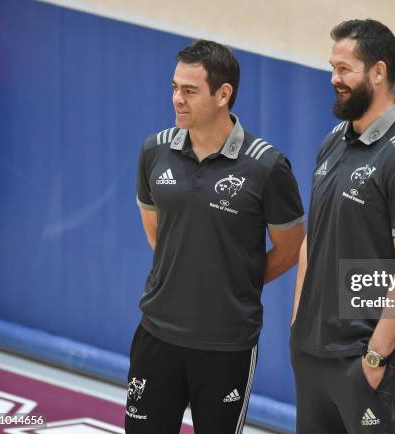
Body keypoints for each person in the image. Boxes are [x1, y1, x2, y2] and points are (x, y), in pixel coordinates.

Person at [127, 39, 305, 434]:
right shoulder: (154, 151)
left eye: (189, 91)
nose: (177, 99)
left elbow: (292, 247)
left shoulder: (267, 166)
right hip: (157, 334)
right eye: (174, 87)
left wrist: (235, 280)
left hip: (226, 346)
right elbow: (155, 226)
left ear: (223, 94)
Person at [290, 19, 395, 434]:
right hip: (314, 354)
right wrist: (298, 325)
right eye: (333, 67)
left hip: (371, 362)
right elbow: (314, 238)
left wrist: (375, 358)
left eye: (345, 69)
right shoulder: (334, 141)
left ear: (378, 72)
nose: (334, 78)